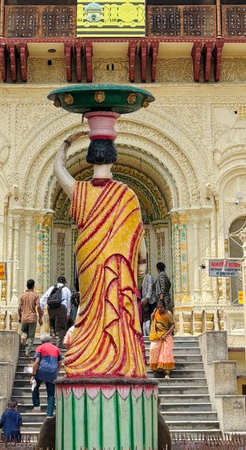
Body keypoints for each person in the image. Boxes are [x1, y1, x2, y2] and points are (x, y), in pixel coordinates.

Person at [52, 131, 147, 377]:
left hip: (89, 261)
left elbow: (58, 169)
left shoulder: (81, 191)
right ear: (114, 160)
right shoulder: (128, 194)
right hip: (119, 265)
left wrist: (67, 143)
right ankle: (121, 358)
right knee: (115, 302)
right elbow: (139, 238)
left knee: (91, 305)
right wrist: (141, 266)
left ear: (89, 159)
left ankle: (87, 355)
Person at [32, 336, 60, 417]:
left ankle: (37, 407)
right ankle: (49, 414)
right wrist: (57, 371)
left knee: (34, 388)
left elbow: (37, 362)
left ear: (41, 341)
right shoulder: (56, 348)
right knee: (51, 394)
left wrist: (33, 374)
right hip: (52, 373)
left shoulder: (40, 347)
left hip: (41, 371)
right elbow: (60, 362)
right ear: (50, 340)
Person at [40, 276, 71, 347]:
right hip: (62, 308)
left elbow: (43, 299)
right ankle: (58, 344)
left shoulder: (51, 288)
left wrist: (41, 309)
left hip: (51, 307)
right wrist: (68, 313)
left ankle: (53, 332)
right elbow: (69, 302)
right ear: (64, 282)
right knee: (62, 327)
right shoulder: (66, 290)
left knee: (51, 319)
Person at [148, 300, 176, 378]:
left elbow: (173, 325)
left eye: (161, 308)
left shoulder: (168, 314)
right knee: (153, 349)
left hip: (165, 335)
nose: (159, 309)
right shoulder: (156, 311)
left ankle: (167, 373)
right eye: (158, 307)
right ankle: (154, 369)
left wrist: (166, 335)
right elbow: (153, 321)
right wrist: (152, 316)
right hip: (156, 335)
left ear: (164, 307)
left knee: (166, 353)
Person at [17, 279, 41, 349]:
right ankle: (28, 350)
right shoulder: (35, 295)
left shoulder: (22, 296)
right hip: (32, 318)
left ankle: (24, 339)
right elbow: (38, 306)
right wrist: (40, 316)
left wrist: (20, 316)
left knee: (24, 331)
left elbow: (19, 308)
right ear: (33, 286)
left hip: (24, 317)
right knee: (31, 335)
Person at [140, 266, 157, 337]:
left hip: (151, 301)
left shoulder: (148, 277)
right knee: (147, 318)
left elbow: (149, 288)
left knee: (151, 317)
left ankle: (152, 333)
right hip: (147, 301)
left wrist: (146, 299)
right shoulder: (144, 278)